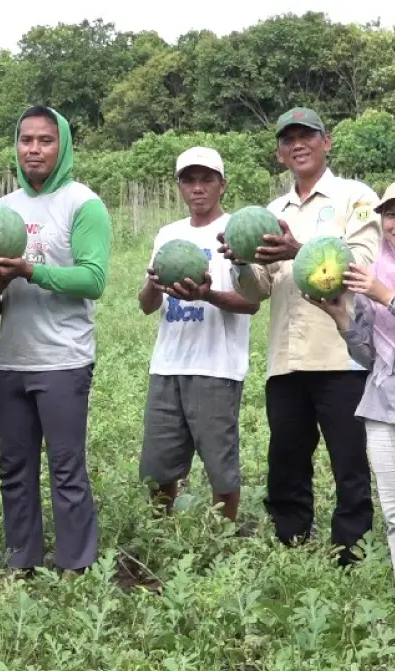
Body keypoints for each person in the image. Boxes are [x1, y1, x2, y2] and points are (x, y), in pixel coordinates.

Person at [219, 106, 381, 565]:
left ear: (326, 142)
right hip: (286, 359)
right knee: (286, 460)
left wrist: (299, 249)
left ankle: (352, 552)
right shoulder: (271, 211)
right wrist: (240, 262)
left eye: (306, 135)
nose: (298, 144)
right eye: (288, 139)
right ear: (279, 153)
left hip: (340, 353)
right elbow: (260, 289)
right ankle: (291, 542)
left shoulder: (355, 197)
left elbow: (363, 263)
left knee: (348, 461)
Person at [0, 105, 112, 576]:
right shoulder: (1, 211)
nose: (34, 149)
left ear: (63, 146)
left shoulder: (83, 204)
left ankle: (76, 563)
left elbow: (93, 280)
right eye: (26, 140)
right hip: (10, 361)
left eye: (45, 141)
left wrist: (30, 269)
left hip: (62, 360)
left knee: (66, 468)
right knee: (14, 469)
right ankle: (21, 560)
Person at [303, 177, 395, 609]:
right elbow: (369, 355)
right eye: (391, 215)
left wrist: (388, 296)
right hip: (386, 405)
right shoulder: (371, 273)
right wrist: (343, 317)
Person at [136, 146, 260, 524]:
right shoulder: (168, 235)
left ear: (222, 184)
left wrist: (206, 294)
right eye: (189, 180)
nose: (198, 187)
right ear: (179, 187)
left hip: (217, 368)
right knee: (158, 468)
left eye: (207, 179)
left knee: (220, 468)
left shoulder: (238, 232)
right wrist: (154, 285)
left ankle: (224, 541)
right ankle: (160, 535)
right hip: (168, 365)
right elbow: (145, 304)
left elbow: (251, 302)